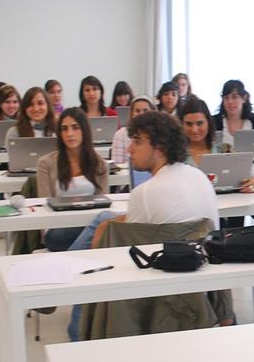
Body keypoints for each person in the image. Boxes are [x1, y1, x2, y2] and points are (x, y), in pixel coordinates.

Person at [64, 110, 222, 338]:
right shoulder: (199, 177)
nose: (130, 149)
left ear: (159, 148)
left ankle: (77, 332)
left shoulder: (146, 192)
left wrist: (104, 234)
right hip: (201, 282)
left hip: (160, 293)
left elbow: (124, 253)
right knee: (105, 222)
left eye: (137, 142)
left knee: (97, 261)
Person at [35, 108, 108, 252]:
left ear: (84, 131)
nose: (69, 134)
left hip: (89, 223)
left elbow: (103, 204)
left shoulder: (100, 164)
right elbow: (44, 205)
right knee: (100, 235)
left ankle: (73, 257)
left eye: (75, 127)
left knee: (104, 228)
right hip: (58, 228)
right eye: (64, 129)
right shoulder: (46, 163)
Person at [179, 98, 254, 193]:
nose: (194, 129)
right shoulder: (175, 154)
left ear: (208, 123)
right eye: (189, 124)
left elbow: (248, 177)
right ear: (181, 125)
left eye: (200, 123)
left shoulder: (225, 150)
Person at [211, 80, 254, 148]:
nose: (230, 101)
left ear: (244, 98)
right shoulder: (214, 122)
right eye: (226, 98)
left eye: (234, 97)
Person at [109, 96, 155, 165]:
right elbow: (117, 164)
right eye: (137, 111)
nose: (141, 114)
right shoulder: (121, 134)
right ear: (132, 113)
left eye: (145, 110)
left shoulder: (158, 133)